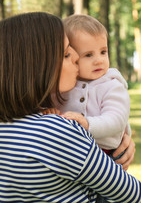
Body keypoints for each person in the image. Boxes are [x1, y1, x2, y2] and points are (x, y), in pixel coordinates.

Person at [0, 12, 141, 203]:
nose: (75, 58)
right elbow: (134, 195)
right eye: (66, 54)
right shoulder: (58, 131)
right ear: (39, 68)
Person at [44, 14, 130, 161]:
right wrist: (51, 111)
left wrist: (88, 124)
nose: (99, 60)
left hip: (106, 152)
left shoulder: (111, 85)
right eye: (88, 55)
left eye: (103, 52)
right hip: (72, 153)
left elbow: (117, 119)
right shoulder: (64, 86)